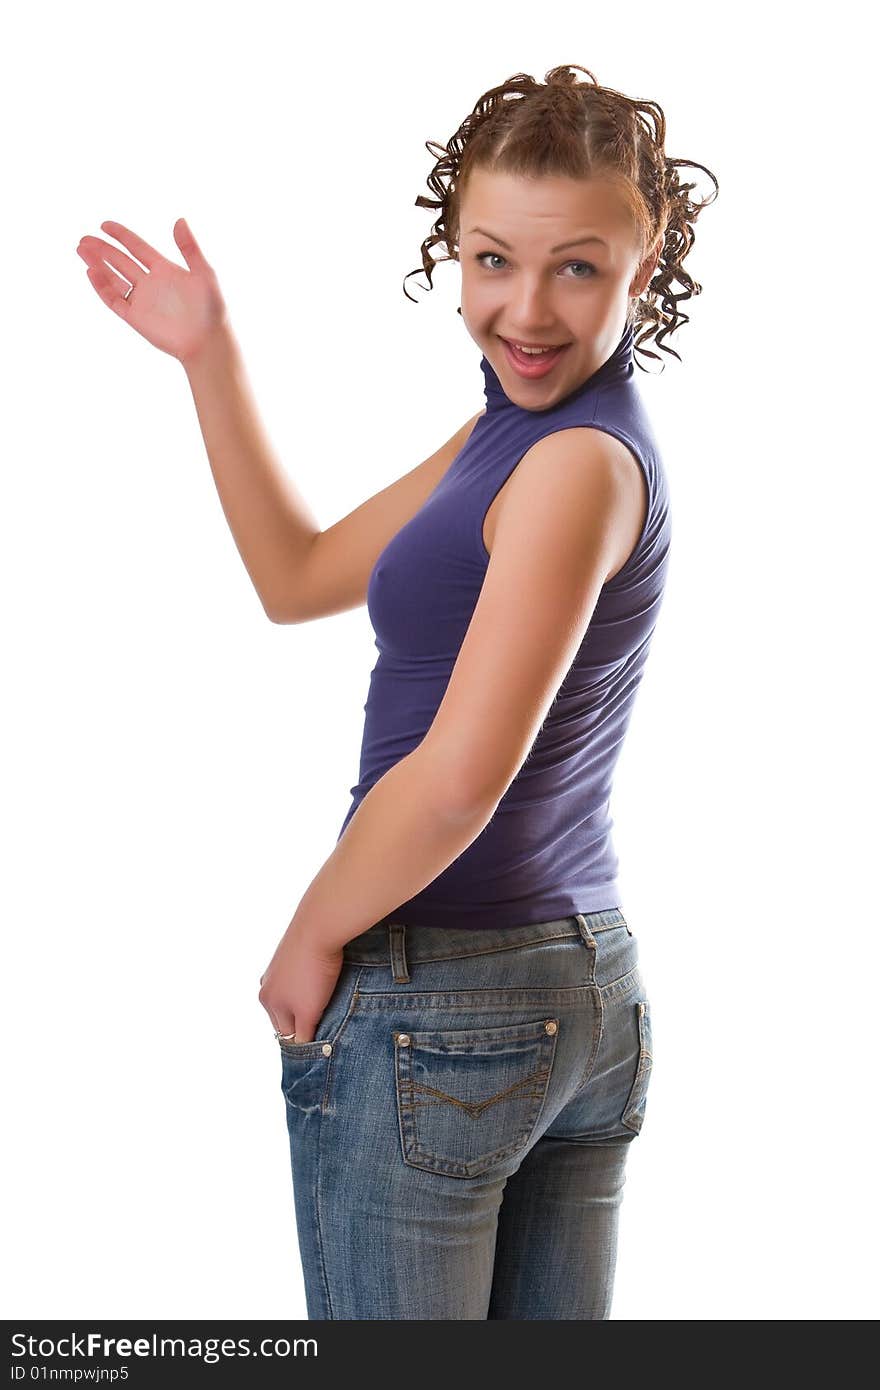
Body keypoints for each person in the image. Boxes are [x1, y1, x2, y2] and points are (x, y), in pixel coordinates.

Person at [76, 63, 718, 1319]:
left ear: (644, 268)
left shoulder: (571, 463)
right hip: (572, 992)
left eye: (577, 267)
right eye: (491, 260)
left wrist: (314, 930)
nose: (523, 309)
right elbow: (299, 573)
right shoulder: (513, 435)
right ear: (454, 253)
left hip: (451, 993)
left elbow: (458, 780)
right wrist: (209, 356)